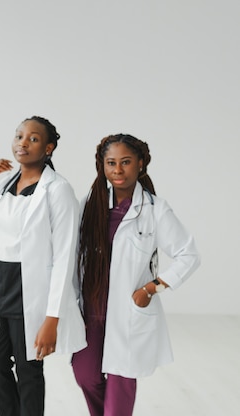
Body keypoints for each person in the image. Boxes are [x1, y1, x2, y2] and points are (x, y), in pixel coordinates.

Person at [71, 134, 200, 416]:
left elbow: (188, 255)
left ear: (140, 164)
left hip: (128, 311)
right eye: (111, 163)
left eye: (126, 162)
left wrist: (152, 288)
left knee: (120, 382)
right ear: (102, 166)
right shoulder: (89, 205)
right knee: (85, 375)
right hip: (91, 308)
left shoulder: (155, 209)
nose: (118, 170)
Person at [0, 117, 86, 415]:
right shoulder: (2, 183)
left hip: (30, 293)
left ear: (49, 147)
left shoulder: (58, 190)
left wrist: (52, 319)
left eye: (33, 139)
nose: (22, 143)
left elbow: (66, 256)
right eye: (18, 136)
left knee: (29, 372)